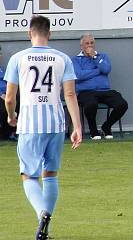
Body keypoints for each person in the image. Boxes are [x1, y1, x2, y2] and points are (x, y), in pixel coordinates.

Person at [3, 15, 82, 240]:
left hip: (30, 124)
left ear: (30, 33)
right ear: (50, 33)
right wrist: (76, 126)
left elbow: (10, 97)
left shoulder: (18, 58)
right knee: (50, 175)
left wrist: (11, 116)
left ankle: (42, 213)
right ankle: (44, 230)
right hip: (56, 124)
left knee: (28, 176)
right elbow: (70, 94)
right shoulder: (62, 58)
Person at [72, 34, 129, 140]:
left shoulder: (102, 56)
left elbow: (106, 69)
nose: (90, 45)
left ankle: (106, 126)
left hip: (104, 90)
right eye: (87, 43)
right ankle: (93, 130)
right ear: (81, 46)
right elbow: (79, 76)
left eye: (92, 43)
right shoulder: (75, 60)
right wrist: (98, 71)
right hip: (86, 92)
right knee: (91, 104)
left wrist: (94, 57)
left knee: (122, 104)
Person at [0, 44, 19, 142]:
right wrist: (2, 95)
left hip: (7, 94)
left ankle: (13, 132)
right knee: (6, 105)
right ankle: (6, 132)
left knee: (17, 100)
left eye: (0, 54)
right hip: (2, 96)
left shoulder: (2, 69)